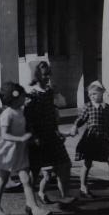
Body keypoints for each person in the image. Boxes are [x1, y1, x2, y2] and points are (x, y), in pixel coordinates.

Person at [0, 82, 51, 215]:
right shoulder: (7, 114)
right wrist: (21, 139)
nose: (24, 98)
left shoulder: (21, 111)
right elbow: (4, 135)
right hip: (7, 150)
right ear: (14, 98)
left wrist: (30, 139)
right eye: (22, 96)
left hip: (20, 150)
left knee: (26, 179)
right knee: (3, 179)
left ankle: (35, 209)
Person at [24, 61, 75, 204]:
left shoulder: (50, 92)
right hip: (38, 139)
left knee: (64, 165)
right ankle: (30, 203)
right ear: (37, 75)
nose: (48, 77)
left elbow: (58, 108)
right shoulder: (31, 95)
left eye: (49, 74)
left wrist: (58, 130)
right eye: (45, 75)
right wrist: (33, 137)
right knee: (35, 171)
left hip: (52, 136)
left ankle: (65, 197)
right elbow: (28, 120)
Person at [69, 81, 109, 198]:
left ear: (102, 93)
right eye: (90, 94)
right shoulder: (88, 106)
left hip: (103, 139)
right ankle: (83, 186)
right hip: (91, 138)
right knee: (87, 163)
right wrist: (75, 126)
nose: (92, 96)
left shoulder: (107, 108)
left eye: (94, 94)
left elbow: (108, 124)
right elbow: (81, 119)